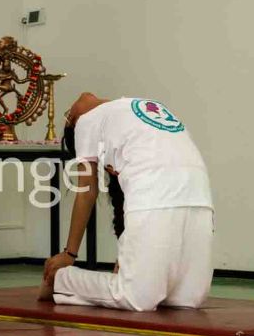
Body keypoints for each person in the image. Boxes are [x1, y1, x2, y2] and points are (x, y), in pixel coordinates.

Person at [42, 93, 213, 311]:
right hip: (194, 199)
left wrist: (69, 254)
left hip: (186, 199)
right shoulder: (140, 106)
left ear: (72, 123)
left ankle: (61, 280)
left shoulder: (86, 120)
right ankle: (61, 280)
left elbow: (86, 191)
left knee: (183, 299)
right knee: (169, 298)